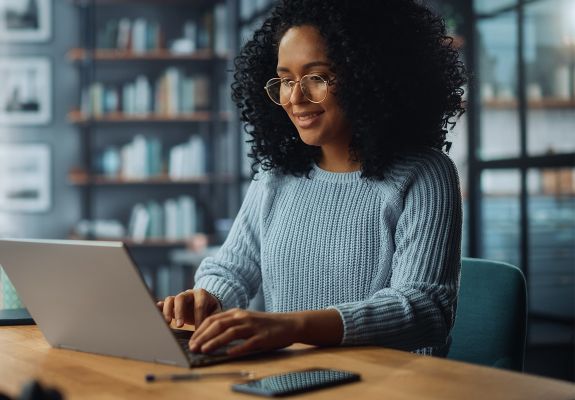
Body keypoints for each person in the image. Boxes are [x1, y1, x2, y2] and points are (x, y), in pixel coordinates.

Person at [157, 0, 466, 358]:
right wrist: (206, 297)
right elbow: (231, 268)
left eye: (317, 77)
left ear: (369, 74)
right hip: (289, 381)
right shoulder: (275, 177)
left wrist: (292, 327)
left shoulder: (424, 175)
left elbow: (424, 308)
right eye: (285, 80)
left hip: (387, 387)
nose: (295, 98)